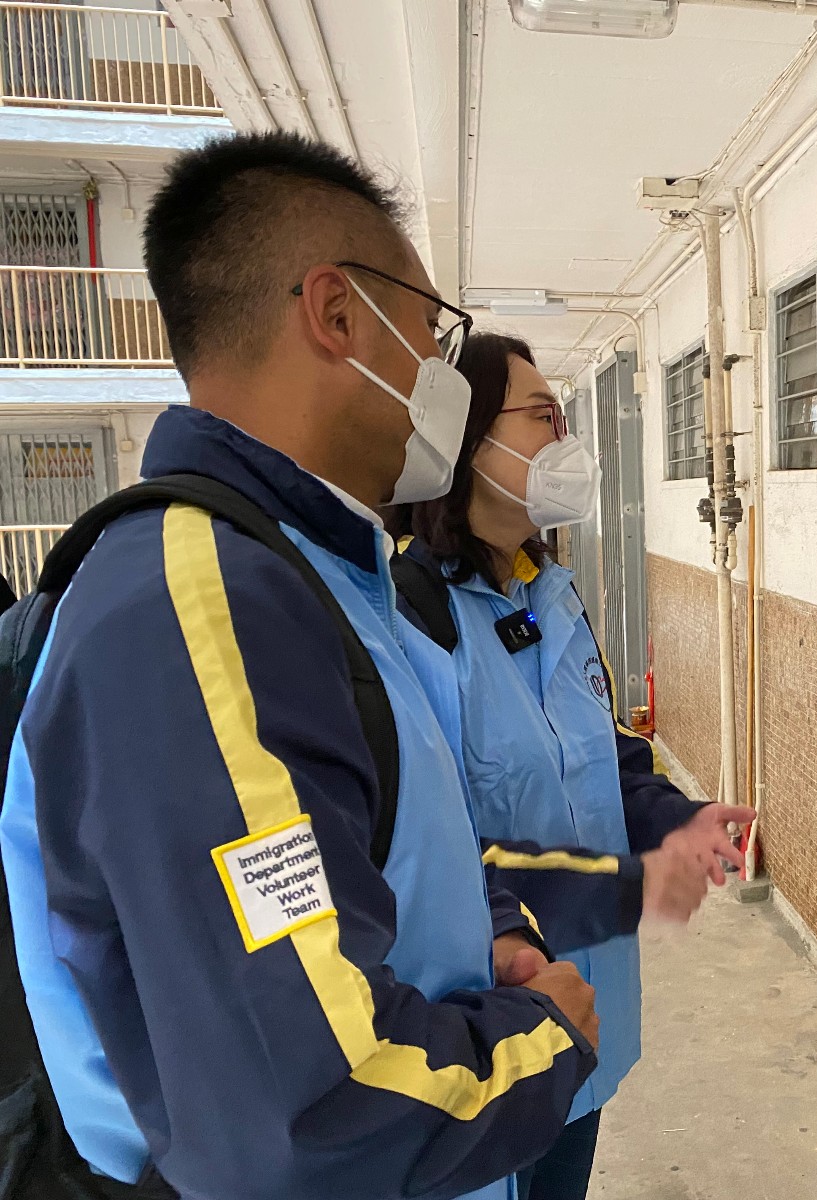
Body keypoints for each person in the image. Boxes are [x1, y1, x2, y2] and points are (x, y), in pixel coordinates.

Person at [0, 133, 602, 1200]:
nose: (438, 374)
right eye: (430, 333)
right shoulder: (199, 611)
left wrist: (490, 930)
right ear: (337, 314)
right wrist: (539, 1042)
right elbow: (304, 1114)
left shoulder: (317, 577)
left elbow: (375, 846)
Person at [390, 330, 754, 1200]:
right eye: (544, 418)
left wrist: (677, 820)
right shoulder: (412, 617)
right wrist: (616, 891)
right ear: (468, 443)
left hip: (587, 1014)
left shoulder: (551, 595)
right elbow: (431, 847)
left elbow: (605, 756)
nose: (567, 442)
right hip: (498, 1019)